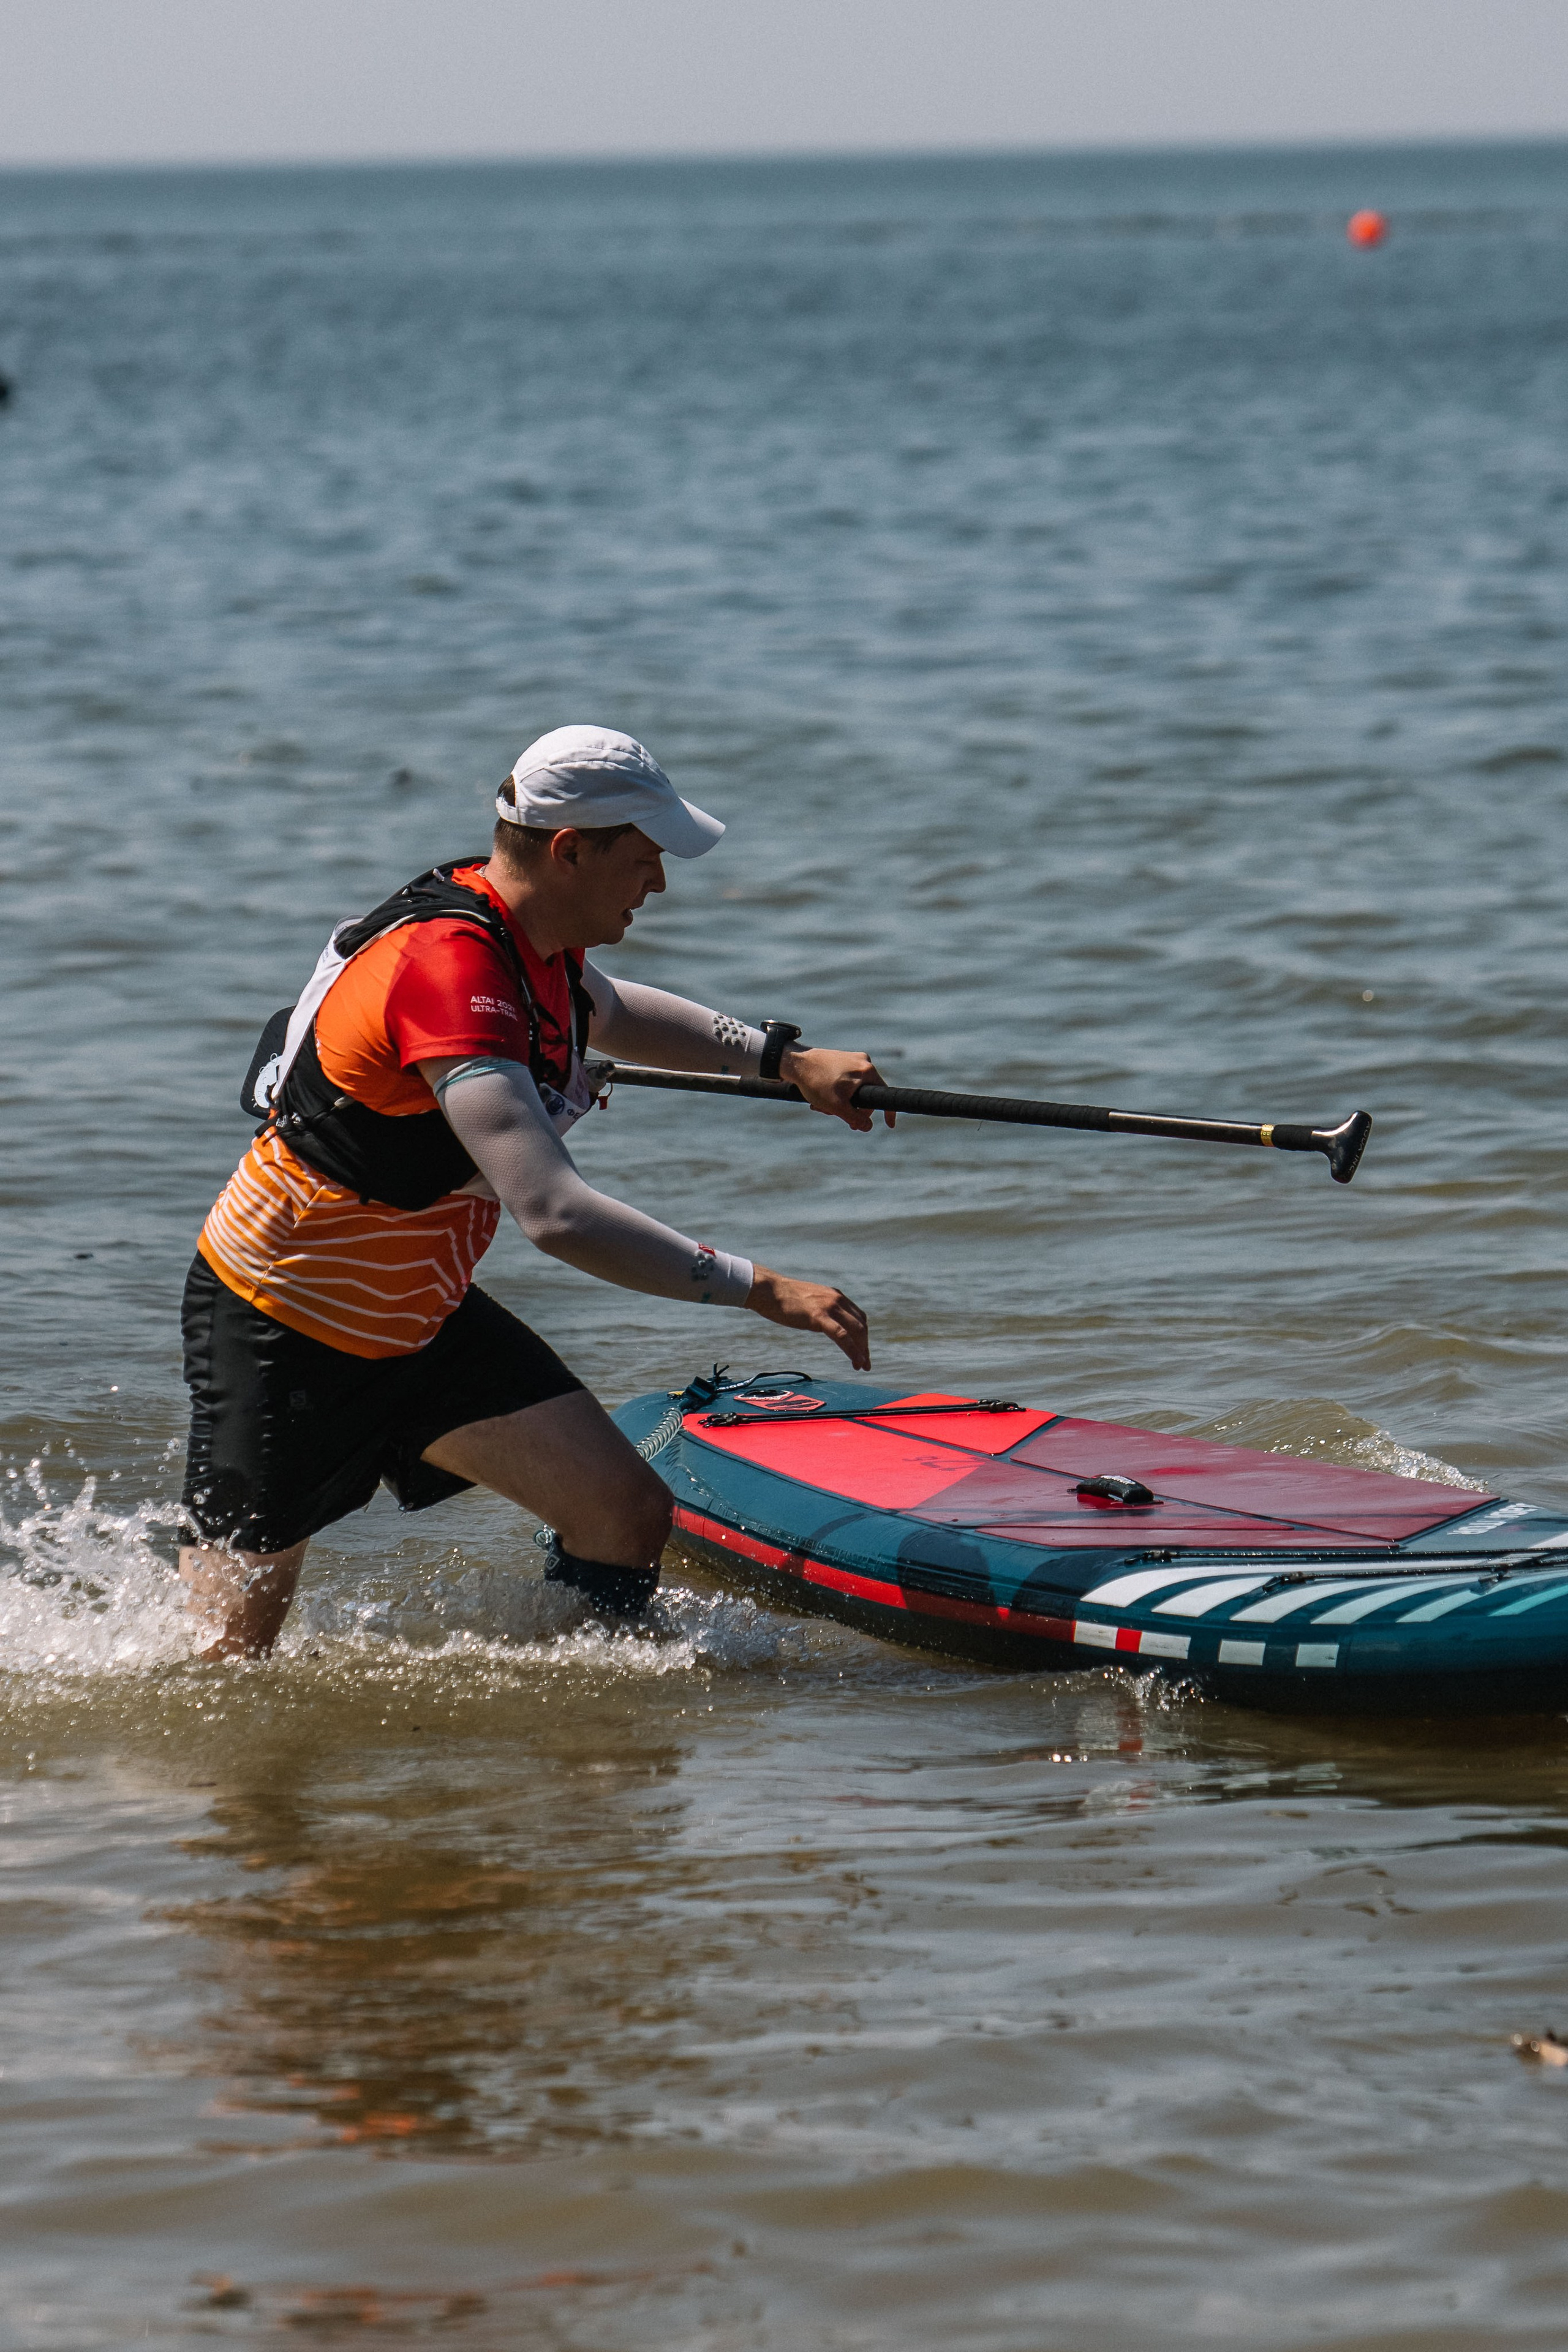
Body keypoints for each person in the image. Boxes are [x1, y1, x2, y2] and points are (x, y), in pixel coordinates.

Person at [179, 725, 891, 1658]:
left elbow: (613, 1009)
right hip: (284, 1330)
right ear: (569, 851)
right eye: (644, 860)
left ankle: (588, 1747)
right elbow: (554, 1214)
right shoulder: (448, 972)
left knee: (626, 1512)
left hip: (419, 1319)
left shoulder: (532, 938)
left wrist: (786, 1062)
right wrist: (762, 1289)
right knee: (227, 1672)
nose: (660, 884)